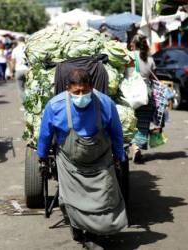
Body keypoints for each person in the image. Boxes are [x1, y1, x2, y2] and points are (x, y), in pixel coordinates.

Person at [37, 68, 128, 247]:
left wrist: (119, 155)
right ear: (67, 88)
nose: (81, 95)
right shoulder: (55, 105)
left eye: (85, 91)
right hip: (69, 161)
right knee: (70, 199)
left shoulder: (105, 103)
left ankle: (97, 232)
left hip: (101, 160)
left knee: (104, 197)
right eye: (76, 92)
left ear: (92, 87)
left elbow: (117, 133)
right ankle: (79, 230)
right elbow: (45, 134)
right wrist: (42, 156)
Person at [129, 34, 156, 163]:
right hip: (147, 94)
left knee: (130, 122)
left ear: (134, 44)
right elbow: (152, 76)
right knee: (143, 123)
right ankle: (138, 146)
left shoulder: (129, 56)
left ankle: (134, 147)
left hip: (132, 94)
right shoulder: (150, 59)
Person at [11, 37, 28, 102]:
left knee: (21, 89)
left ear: (18, 41)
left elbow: (13, 62)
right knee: (30, 88)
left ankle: (24, 105)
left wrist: (12, 72)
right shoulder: (28, 48)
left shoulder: (15, 49)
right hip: (28, 70)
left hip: (18, 70)